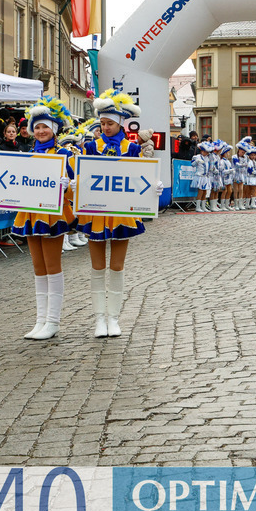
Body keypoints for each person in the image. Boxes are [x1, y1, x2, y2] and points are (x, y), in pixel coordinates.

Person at [78, 90, 159, 338]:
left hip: (121, 214)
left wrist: (154, 186)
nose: (105, 127)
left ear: (120, 123)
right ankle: (99, 319)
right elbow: (83, 175)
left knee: (116, 266)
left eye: (110, 123)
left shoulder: (132, 148)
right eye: (102, 123)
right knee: (97, 267)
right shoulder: (91, 147)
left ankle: (113, 318)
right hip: (96, 214)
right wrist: (75, 183)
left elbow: (140, 177)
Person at [11, 98, 76, 340]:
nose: (40, 131)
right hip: (30, 213)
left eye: (45, 127)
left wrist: (67, 185)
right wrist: (3, 183)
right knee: (38, 268)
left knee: (52, 266)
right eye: (36, 127)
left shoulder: (65, 154)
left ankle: (53, 321)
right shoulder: (28, 154)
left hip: (53, 215)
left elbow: (75, 189)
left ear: (54, 129)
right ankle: (40, 320)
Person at [191, 141, 212, 212]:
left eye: (207, 152)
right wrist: (196, 161)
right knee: (200, 191)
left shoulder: (207, 158)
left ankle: (203, 206)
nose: (207, 153)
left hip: (205, 177)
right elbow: (192, 165)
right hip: (200, 176)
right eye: (205, 152)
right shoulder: (197, 157)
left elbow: (209, 167)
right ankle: (197, 207)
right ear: (202, 151)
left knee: (205, 192)